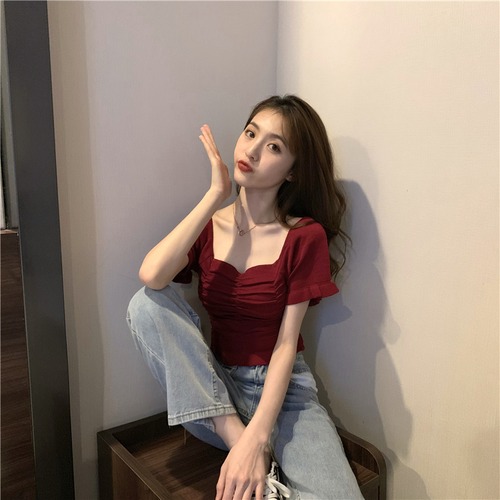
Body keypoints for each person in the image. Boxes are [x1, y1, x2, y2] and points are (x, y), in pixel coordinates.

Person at [126, 95, 363, 500]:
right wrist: (214, 194)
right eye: (251, 133)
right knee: (145, 304)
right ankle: (247, 452)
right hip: (214, 394)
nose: (252, 150)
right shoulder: (210, 225)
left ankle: (260, 468)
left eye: (274, 146)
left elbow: (286, 344)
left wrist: (261, 434)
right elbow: (151, 276)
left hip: (284, 395)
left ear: (293, 171)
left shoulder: (304, 237)